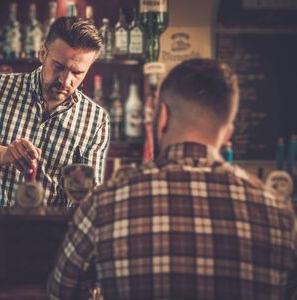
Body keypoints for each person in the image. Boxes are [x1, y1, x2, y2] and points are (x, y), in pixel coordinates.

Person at [47, 58, 296, 299]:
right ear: (227, 133)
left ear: (162, 116)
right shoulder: (279, 215)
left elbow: (60, 290)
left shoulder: (105, 202)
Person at [0, 17, 109, 206]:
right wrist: (5, 155)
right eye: (59, 67)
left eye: (77, 73)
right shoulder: (0, 88)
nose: (65, 81)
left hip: (52, 231)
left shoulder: (95, 118)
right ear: (43, 53)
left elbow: (89, 196)